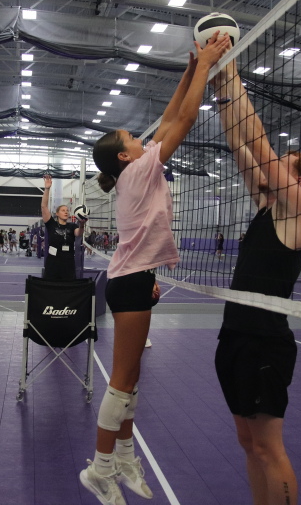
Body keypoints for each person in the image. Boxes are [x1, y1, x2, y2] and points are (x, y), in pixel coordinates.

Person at [82, 31, 229, 504]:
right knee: (122, 380)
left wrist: (186, 72)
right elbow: (183, 120)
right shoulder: (141, 170)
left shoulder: (134, 168)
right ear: (125, 156)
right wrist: (206, 63)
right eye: (132, 138)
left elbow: (167, 117)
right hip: (128, 281)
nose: (141, 138)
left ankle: (123, 456)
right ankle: (100, 469)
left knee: (133, 379)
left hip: (137, 278)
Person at [212, 53, 301, 505]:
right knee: (247, 444)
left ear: (298, 179)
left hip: (266, 342)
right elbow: (240, 145)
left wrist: (231, 71)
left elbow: (260, 144)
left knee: (269, 447)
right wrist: (220, 92)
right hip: (234, 335)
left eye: (285, 165)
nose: (272, 167)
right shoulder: (266, 207)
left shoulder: (298, 210)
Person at [41, 176, 85, 281]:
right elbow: (44, 206)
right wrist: (47, 189)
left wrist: (82, 225)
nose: (66, 212)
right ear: (57, 214)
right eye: (63, 210)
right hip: (53, 262)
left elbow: (78, 234)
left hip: (68, 262)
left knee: (67, 288)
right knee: (51, 287)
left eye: (67, 210)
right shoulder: (51, 224)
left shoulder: (72, 226)